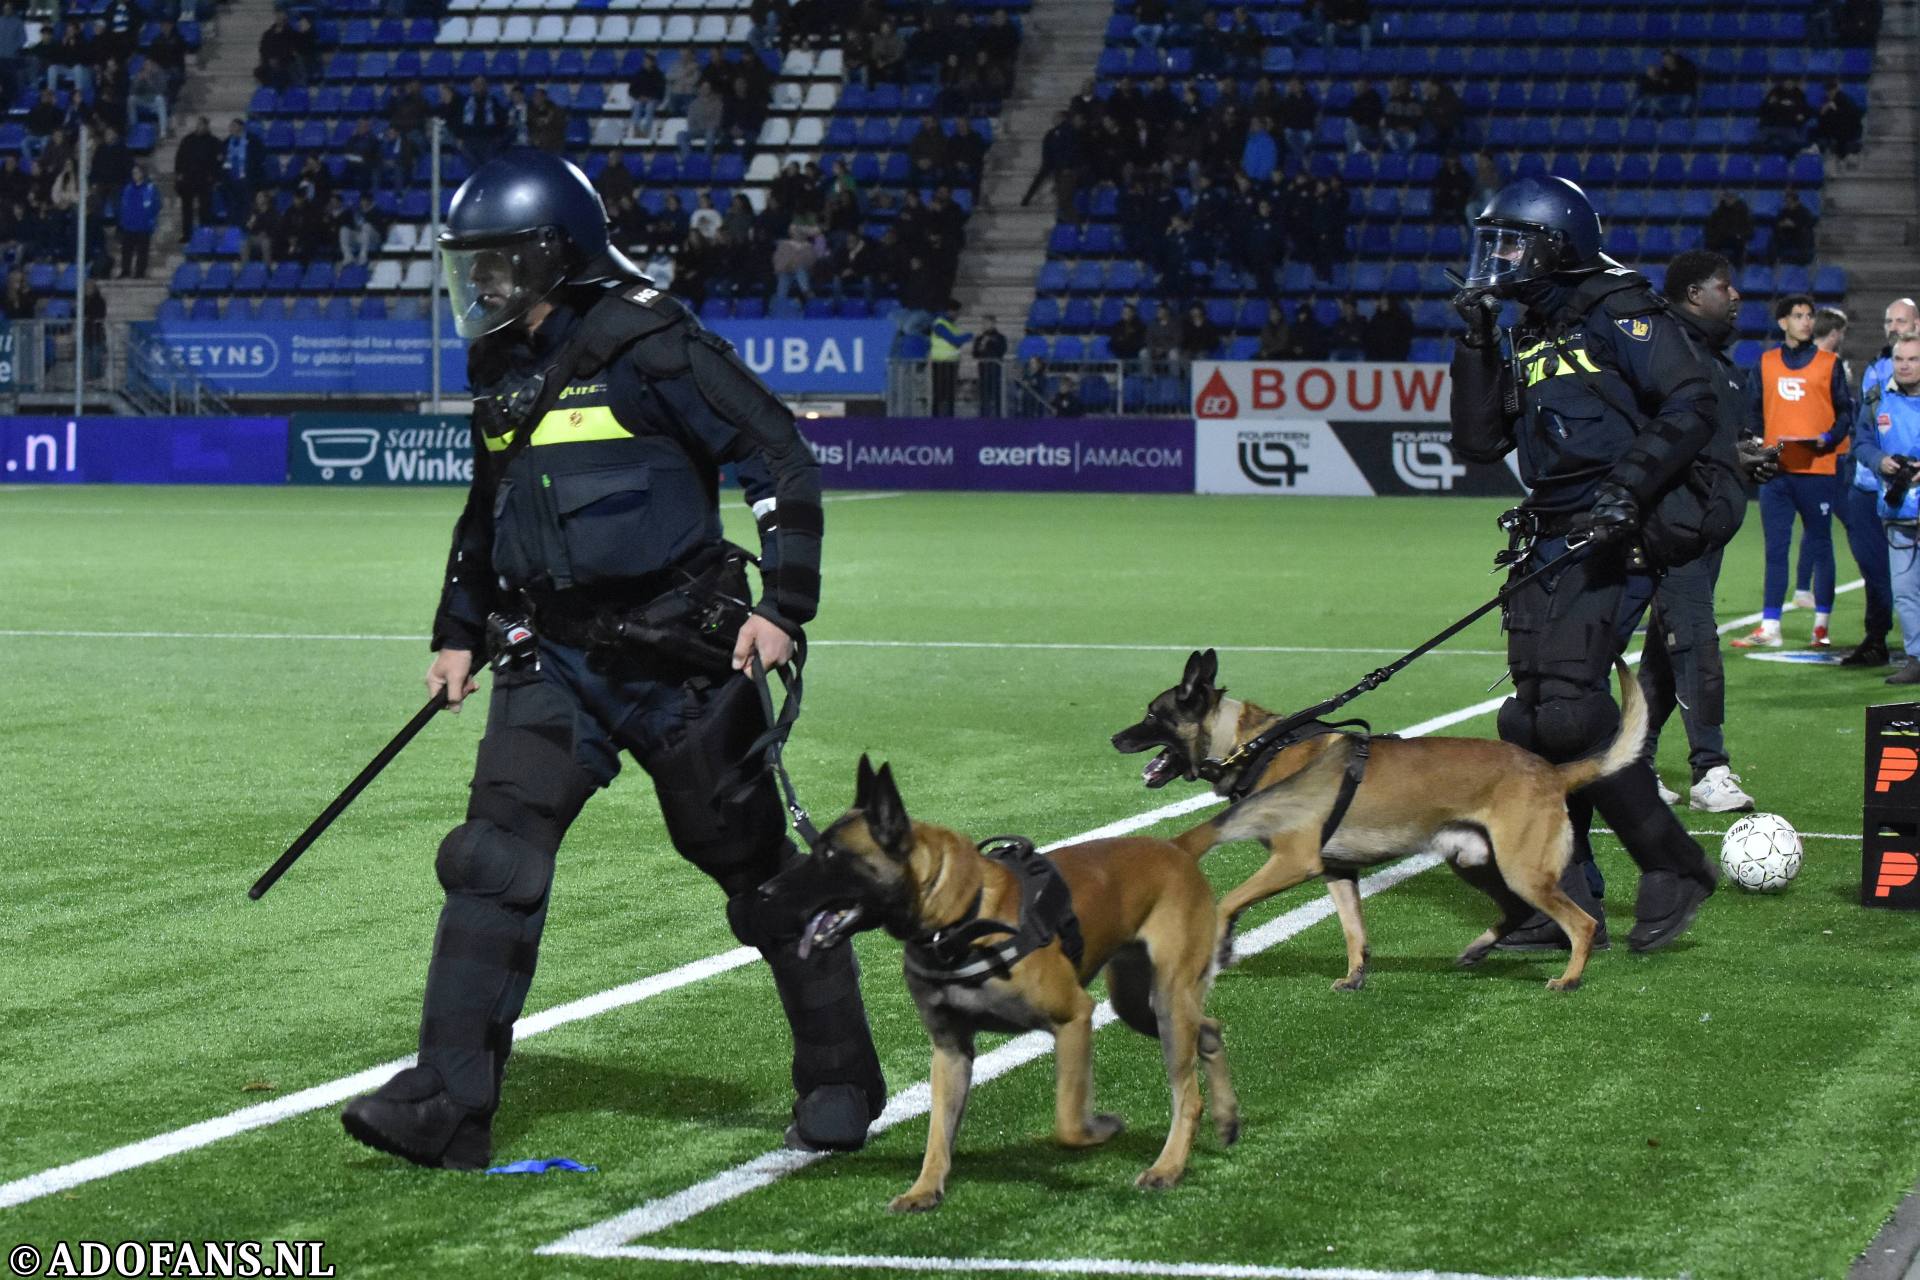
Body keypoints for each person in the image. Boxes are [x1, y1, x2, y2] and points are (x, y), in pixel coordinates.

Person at [339, 150, 884, 1170]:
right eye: (476, 265)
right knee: (488, 864)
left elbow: (777, 453)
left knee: (764, 881)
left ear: (558, 256)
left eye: (501, 263)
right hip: (552, 660)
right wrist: (457, 628)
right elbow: (486, 511)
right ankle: (445, 1104)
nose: (483, 284)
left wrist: (784, 606)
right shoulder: (501, 366)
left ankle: (842, 1080)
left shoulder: (650, 341)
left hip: (684, 660)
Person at [1448, 175, 1723, 955]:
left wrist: (1626, 495)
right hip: (1552, 527)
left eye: (1511, 240)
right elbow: (1478, 444)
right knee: (1528, 716)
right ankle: (1559, 897)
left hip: (1621, 523)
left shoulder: (1619, 307)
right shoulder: (1530, 326)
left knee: (1568, 707)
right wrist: (1474, 343)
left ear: (1557, 242)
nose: (1496, 255)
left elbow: (1691, 404)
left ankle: (1673, 866)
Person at [1636, 250, 1759, 814]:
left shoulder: (1718, 363)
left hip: (1707, 529)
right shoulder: (1668, 355)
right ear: (1693, 294)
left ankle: (1635, 764)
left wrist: (1744, 459)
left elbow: (1705, 446)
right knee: (1695, 642)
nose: (1735, 296)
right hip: (1676, 528)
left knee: (1667, 653)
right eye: (1724, 286)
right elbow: (1659, 441)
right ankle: (1710, 770)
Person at [1731, 294, 1855, 649]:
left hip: (1818, 469)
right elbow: (1754, 412)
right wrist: (1756, 442)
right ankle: (1770, 626)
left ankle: (1821, 626)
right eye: (1798, 315)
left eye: (1809, 315)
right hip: (1778, 471)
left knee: (1820, 545)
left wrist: (1828, 438)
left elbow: (1845, 413)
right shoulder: (1766, 363)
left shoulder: (1830, 364)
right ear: (1783, 322)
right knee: (1776, 549)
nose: (1805, 321)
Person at [1839, 296, 1920, 666]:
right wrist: (1876, 461)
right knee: (1880, 575)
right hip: (1879, 495)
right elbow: (1863, 436)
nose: (1893, 326)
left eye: (1901, 321)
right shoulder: (1875, 376)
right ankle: (1882, 641)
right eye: (1889, 320)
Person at [927, 299, 970, 417]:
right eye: (957, 312)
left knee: (950, 393)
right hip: (941, 363)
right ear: (950, 311)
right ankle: (936, 419)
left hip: (952, 363)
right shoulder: (940, 324)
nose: (958, 315)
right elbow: (955, 341)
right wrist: (968, 335)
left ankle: (949, 418)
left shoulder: (951, 326)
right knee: (940, 393)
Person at [116, 162, 157, 278]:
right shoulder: (128, 188)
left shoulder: (150, 188)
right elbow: (123, 205)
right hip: (129, 225)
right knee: (126, 251)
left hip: (143, 226)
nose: (135, 174)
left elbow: (156, 205)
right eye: (133, 172)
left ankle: (140, 272)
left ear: (142, 174)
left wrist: (149, 220)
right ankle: (125, 271)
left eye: (137, 172)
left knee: (142, 252)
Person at [972, 314, 1006, 416]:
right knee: (984, 394)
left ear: (993, 323)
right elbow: (975, 353)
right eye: (983, 323)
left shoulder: (1000, 337)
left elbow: (1002, 351)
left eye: (986, 323)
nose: (984, 325)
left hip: (995, 369)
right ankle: (984, 415)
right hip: (983, 369)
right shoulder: (979, 338)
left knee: (997, 394)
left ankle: (998, 415)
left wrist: (992, 342)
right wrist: (982, 345)